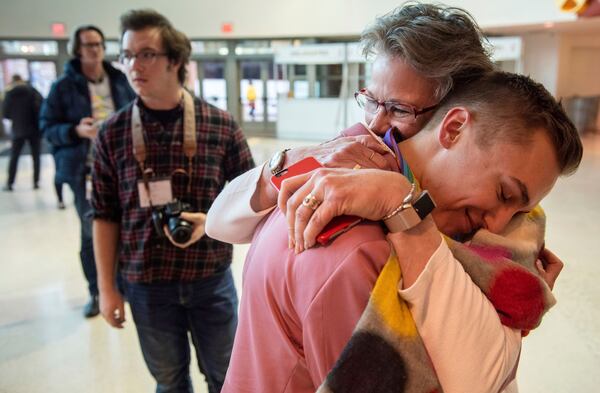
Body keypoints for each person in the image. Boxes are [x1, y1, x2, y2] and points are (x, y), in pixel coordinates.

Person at [223, 71, 583, 393]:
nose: (498, 225)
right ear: (453, 127)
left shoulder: (393, 201)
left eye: (520, 211)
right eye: (504, 194)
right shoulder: (357, 245)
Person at [91, 9, 255, 393]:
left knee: (228, 376)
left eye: (146, 54)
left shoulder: (220, 125)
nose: (134, 65)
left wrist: (212, 220)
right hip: (146, 282)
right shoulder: (112, 134)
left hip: (209, 277)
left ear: (176, 61)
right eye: (127, 55)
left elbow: (252, 199)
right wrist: (106, 288)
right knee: (169, 381)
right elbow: (102, 214)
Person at [39, 24, 135, 317]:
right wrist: (76, 131)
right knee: (91, 232)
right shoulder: (63, 87)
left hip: (123, 167)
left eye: (99, 44)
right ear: (77, 50)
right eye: (89, 45)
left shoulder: (119, 79)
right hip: (86, 171)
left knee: (126, 227)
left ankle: (121, 285)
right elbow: (47, 128)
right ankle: (97, 290)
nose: (95, 50)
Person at [2, 74, 43, 191]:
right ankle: (36, 182)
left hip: (18, 129)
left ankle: (10, 183)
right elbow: (42, 107)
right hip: (34, 129)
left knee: (14, 157)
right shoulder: (33, 91)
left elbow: (5, 113)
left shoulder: (10, 93)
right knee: (36, 156)